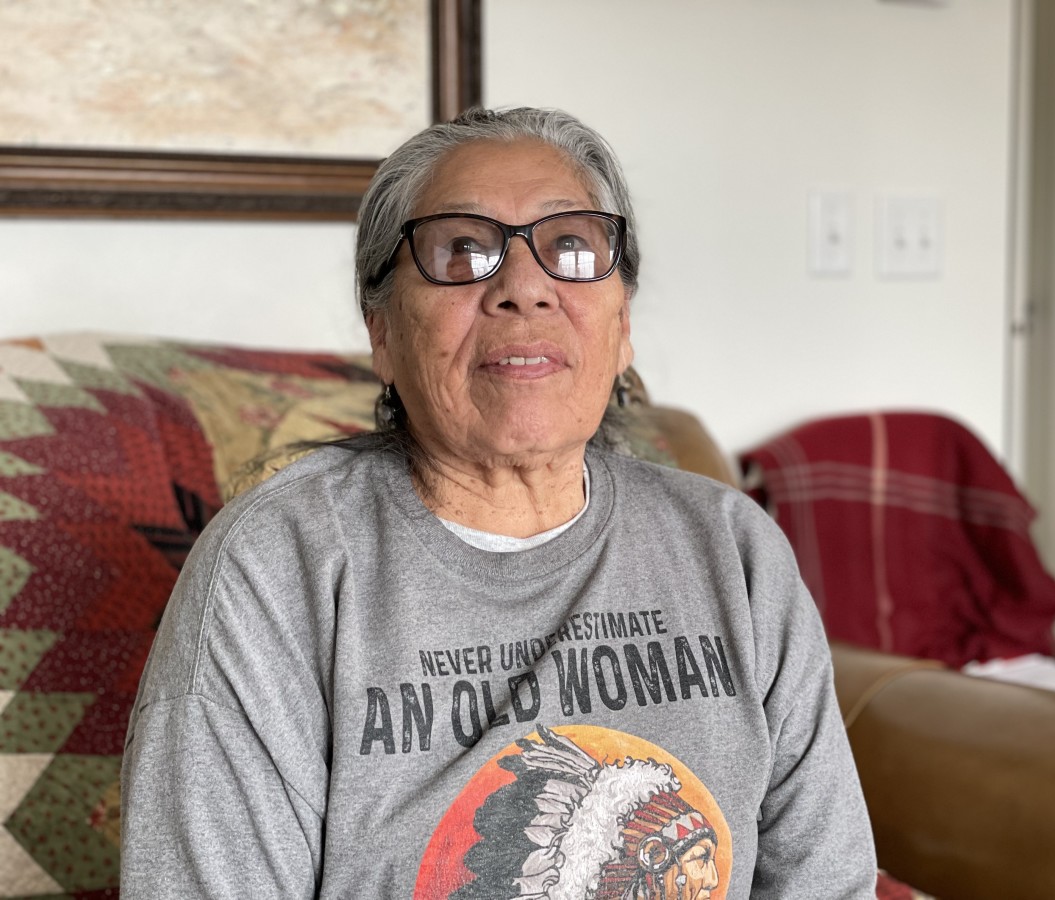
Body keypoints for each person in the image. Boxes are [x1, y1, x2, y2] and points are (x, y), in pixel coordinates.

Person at [120, 106, 876, 898]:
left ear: (623, 327)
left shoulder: (734, 550)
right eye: (462, 251)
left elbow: (826, 881)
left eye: (572, 248)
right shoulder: (277, 565)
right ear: (381, 330)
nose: (524, 288)